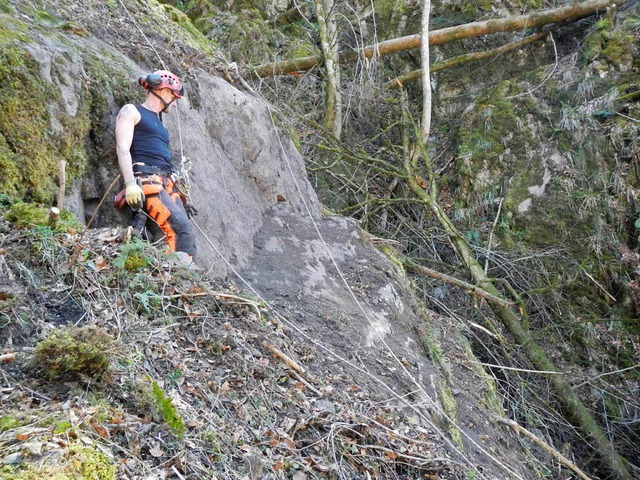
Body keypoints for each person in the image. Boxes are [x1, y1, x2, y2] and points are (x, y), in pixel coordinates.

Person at [115, 69, 197, 258]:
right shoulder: (132, 111)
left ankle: (185, 276)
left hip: (165, 183)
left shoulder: (160, 125)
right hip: (146, 181)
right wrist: (130, 184)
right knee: (179, 229)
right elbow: (122, 148)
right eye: (174, 97)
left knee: (187, 234)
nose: (175, 103)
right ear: (164, 92)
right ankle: (180, 276)